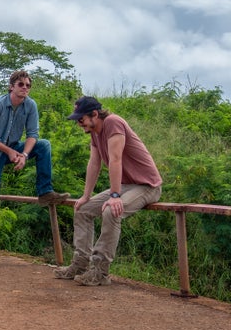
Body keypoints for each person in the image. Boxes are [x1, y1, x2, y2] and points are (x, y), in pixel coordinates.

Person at [55, 96, 162, 286]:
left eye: (81, 119)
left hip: (147, 185)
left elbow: (115, 159)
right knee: (83, 209)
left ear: (95, 114)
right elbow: (94, 163)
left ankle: (100, 272)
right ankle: (79, 265)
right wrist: (86, 196)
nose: (79, 124)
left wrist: (114, 195)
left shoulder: (113, 123)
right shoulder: (94, 132)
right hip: (126, 185)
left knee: (111, 211)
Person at [0, 70, 68, 262]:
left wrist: (24, 155)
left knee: (44, 145)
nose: (25, 88)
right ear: (11, 87)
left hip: (13, 147)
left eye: (28, 85)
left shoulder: (30, 105)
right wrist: (9, 152)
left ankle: (45, 191)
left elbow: (33, 133)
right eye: (21, 84)